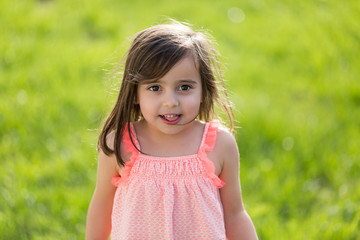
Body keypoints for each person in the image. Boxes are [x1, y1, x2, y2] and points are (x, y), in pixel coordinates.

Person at [86, 20, 258, 240]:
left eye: (184, 87)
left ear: (204, 89)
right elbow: (102, 205)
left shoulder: (219, 144)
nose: (170, 101)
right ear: (135, 93)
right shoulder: (119, 143)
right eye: (155, 88)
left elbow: (234, 214)